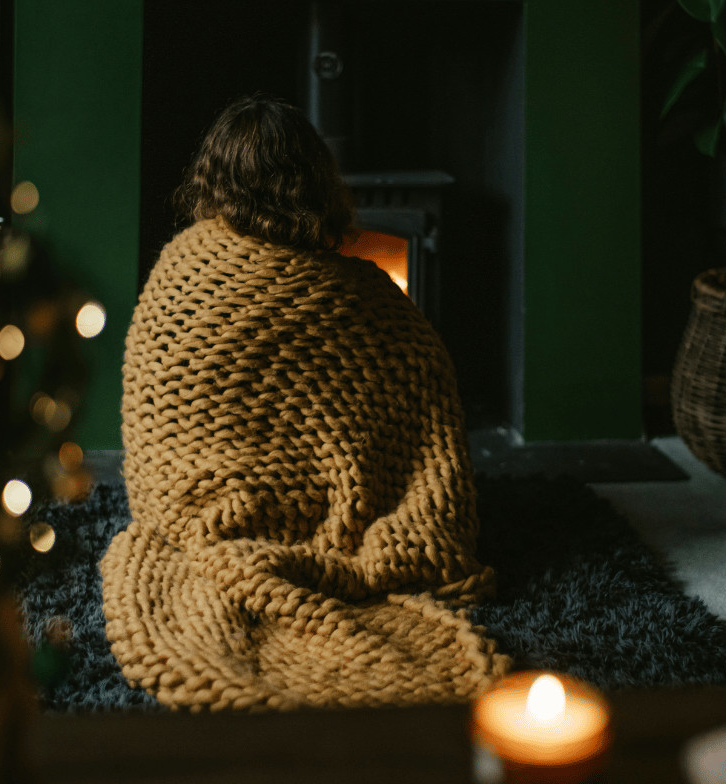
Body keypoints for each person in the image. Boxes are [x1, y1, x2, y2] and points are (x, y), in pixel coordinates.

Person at [99, 95, 509, 711]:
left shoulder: (178, 268)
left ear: (214, 177)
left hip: (183, 505)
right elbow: (424, 389)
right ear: (314, 179)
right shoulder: (363, 296)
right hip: (303, 511)